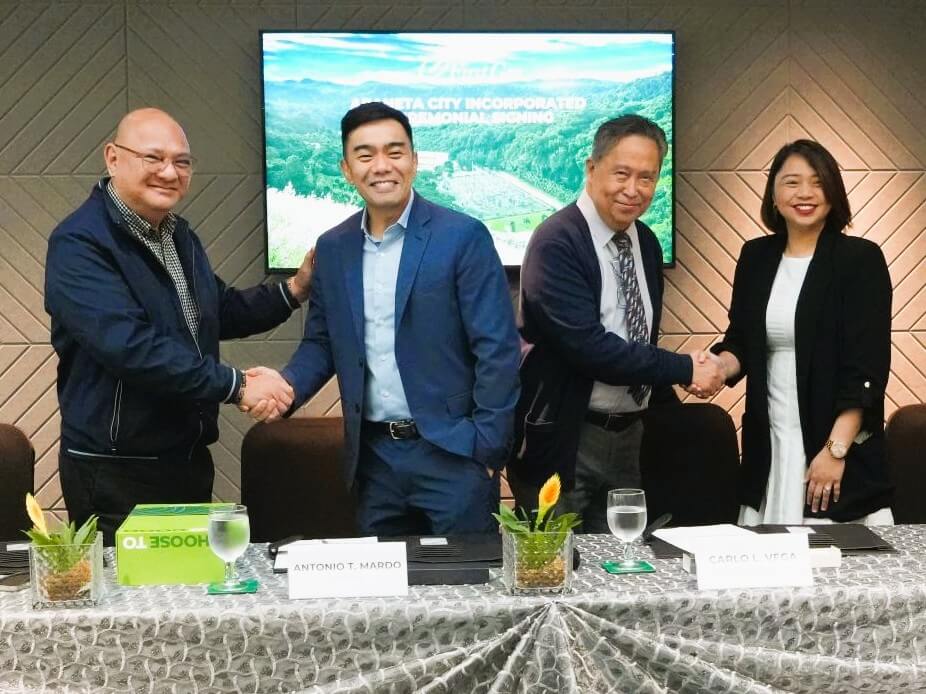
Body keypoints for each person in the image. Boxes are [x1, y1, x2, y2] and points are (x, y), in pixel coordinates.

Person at [248, 102, 521, 536]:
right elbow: (322, 342)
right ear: (346, 168)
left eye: (395, 152)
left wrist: (486, 448)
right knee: (385, 599)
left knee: (466, 594)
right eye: (365, 154)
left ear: (413, 160)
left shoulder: (462, 237)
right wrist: (284, 390)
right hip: (375, 461)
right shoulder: (333, 248)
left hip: (453, 456)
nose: (382, 166)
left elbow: (498, 350)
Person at [45, 108, 313, 543]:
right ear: (112, 158)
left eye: (182, 162)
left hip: (184, 460)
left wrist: (296, 289)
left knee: (183, 600)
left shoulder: (177, 234)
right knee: (129, 606)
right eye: (153, 158)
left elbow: (216, 310)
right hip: (115, 470)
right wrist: (238, 385)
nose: (169, 172)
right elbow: (132, 347)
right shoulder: (80, 243)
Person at [508, 114, 724, 533]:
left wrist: (684, 381)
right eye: (621, 173)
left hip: (627, 437)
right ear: (591, 169)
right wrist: (685, 369)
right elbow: (588, 347)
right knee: (556, 573)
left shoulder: (644, 240)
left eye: (647, 177)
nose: (633, 189)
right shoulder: (557, 241)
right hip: (566, 440)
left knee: (623, 568)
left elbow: (640, 335)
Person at [702, 139, 893, 525]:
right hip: (769, 446)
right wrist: (717, 368)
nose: (805, 193)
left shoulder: (859, 259)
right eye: (791, 182)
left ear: (833, 193)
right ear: (773, 194)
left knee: (836, 573)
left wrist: (835, 451)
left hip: (833, 449)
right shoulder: (755, 257)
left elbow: (866, 371)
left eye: (817, 182)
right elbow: (741, 339)